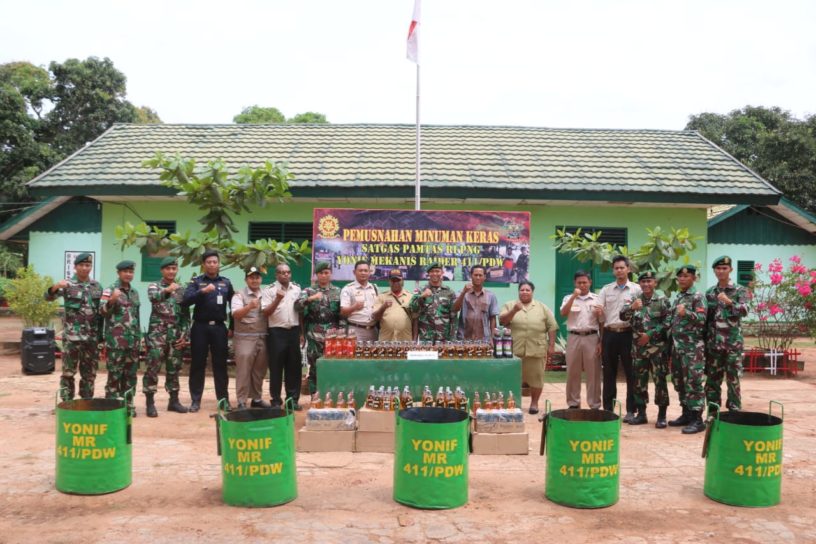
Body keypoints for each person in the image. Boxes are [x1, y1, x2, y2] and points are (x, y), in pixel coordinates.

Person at [45, 253, 103, 401]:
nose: (85, 268)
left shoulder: (97, 286)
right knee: (68, 372)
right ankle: (67, 402)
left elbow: (101, 313)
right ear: (75, 267)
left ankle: (86, 401)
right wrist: (57, 285)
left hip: (91, 337)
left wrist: (100, 337)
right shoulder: (68, 285)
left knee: (89, 373)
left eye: (88, 265)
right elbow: (48, 297)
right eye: (82, 265)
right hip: (72, 337)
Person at [182, 250, 234, 412]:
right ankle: (195, 400)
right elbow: (185, 301)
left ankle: (223, 400)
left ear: (218, 264)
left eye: (215, 262)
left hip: (219, 328)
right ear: (203, 264)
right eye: (209, 262)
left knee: (220, 365)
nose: (212, 264)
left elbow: (235, 305)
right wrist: (202, 292)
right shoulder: (196, 281)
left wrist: (232, 326)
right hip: (200, 327)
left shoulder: (226, 282)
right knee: (198, 364)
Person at [619, 271, 671, 427]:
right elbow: (622, 316)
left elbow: (668, 322)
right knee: (638, 382)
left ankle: (662, 416)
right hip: (639, 349)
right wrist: (631, 308)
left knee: (659, 381)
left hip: (657, 349)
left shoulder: (663, 301)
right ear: (639, 284)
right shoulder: (634, 300)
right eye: (643, 282)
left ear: (655, 283)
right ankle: (641, 414)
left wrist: (650, 334)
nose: (646, 284)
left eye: (649, 281)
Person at [499, 281, 557, 414]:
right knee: (511, 378)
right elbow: (502, 321)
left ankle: (534, 404)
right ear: (518, 292)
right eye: (522, 290)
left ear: (532, 292)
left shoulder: (542, 307)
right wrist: (514, 310)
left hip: (536, 349)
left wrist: (552, 345)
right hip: (514, 349)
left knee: (536, 378)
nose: (524, 292)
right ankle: (512, 403)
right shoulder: (509, 305)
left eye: (527, 290)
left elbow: (552, 326)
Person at [143, 256, 190, 417]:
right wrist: (167, 290)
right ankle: (150, 403)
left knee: (174, 368)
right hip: (157, 335)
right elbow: (153, 298)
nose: (171, 271)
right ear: (162, 270)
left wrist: (185, 335)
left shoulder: (181, 289)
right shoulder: (154, 286)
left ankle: (174, 401)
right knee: (152, 367)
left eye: (174, 269)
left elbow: (185, 315)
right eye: (168, 269)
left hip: (175, 335)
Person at [598, 255, 642, 421]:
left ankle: (631, 410)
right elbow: (600, 311)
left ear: (628, 269)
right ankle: (608, 409)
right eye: (616, 268)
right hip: (610, 334)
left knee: (632, 373)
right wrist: (598, 312)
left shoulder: (637, 290)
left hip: (628, 334)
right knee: (609, 373)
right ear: (613, 270)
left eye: (622, 267)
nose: (619, 270)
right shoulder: (606, 289)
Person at [666, 265, 708, 434]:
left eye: (686, 276)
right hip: (678, 348)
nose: (682, 279)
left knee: (694, 382)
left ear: (694, 278)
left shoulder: (698, 297)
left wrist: (687, 314)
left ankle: (697, 419)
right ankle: (686, 414)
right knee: (679, 382)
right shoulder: (679, 298)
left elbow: (702, 319)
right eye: (680, 276)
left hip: (693, 349)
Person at [705, 256, 749, 412]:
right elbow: (706, 319)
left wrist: (730, 302)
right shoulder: (710, 292)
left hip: (732, 344)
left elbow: (745, 311)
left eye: (724, 268)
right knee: (712, 381)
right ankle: (712, 413)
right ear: (714, 271)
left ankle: (734, 412)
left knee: (733, 379)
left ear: (731, 269)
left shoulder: (740, 290)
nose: (721, 271)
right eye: (718, 268)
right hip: (714, 345)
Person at [99, 260, 141, 415]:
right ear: (119, 273)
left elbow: (136, 317)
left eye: (131, 272)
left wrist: (139, 338)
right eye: (125, 272)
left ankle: (128, 404)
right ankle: (112, 406)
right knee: (115, 374)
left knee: (130, 375)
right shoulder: (109, 290)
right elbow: (101, 312)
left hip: (132, 341)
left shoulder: (134, 292)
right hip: (116, 342)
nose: (128, 274)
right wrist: (112, 300)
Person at [294, 261, 341, 399]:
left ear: (330, 274)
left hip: (333, 335)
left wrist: (341, 333)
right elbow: (297, 306)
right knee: (315, 367)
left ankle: (331, 396)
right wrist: (311, 299)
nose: (324, 276)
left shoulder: (338, 291)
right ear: (316, 275)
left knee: (333, 366)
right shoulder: (308, 291)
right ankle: (315, 397)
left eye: (326, 273)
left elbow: (341, 314)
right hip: (314, 333)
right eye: (321, 273)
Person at [560, 270, 603, 410]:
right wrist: (574, 296)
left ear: (590, 283)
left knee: (594, 373)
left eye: (585, 282)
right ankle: (573, 403)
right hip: (574, 337)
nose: (582, 285)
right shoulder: (568, 298)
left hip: (592, 337)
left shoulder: (597, 299)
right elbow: (563, 313)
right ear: (575, 283)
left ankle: (594, 404)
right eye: (579, 283)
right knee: (572, 371)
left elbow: (602, 322)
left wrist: (600, 341)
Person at [262, 263, 302, 409]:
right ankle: (276, 401)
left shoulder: (297, 289)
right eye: (282, 272)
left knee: (294, 367)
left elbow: (300, 312)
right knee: (276, 367)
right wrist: (277, 299)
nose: (285, 275)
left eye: (288, 272)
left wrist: (302, 333)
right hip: (276, 332)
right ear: (276, 275)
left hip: (294, 331)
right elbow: (265, 312)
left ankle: (292, 400)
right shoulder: (269, 290)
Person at [231, 267, 270, 410]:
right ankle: (241, 400)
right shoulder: (239, 295)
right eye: (251, 277)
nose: (255, 280)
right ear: (246, 280)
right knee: (243, 370)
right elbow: (235, 314)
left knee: (259, 370)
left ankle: (256, 399)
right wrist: (249, 307)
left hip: (262, 336)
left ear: (261, 279)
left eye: (257, 277)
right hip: (244, 338)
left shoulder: (266, 294)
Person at [409, 262, 457, 342]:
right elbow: (412, 308)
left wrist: (452, 338)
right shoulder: (421, 290)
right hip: (426, 338)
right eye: (432, 271)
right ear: (428, 273)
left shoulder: (449, 292)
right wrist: (422, 296)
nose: (435, 273)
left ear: (442, 273)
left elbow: (453, 316)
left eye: (437, 271)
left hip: (443, 338)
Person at [454, 264, 499, 341]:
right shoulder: (463, 293)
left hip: (484, 339)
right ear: (471, 276)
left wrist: (492, 337)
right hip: (464, 338)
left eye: (480, 275)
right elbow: (455, 308)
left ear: (484, 277)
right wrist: (463, 292)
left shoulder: (491, 296)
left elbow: (493, 318)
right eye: (475, 275)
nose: (478, 277)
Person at [340, 260, 379, 342]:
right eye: (360, 270)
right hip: (356, 330)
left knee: (373, 354)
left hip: (373, 330)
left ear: (369, 272)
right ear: (354, 272)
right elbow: (343, 312)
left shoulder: (374, 288)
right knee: (356, 354)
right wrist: (354, 307)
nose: (363, 273)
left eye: (365, 270)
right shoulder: (348, 289)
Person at [372, 268, 415, 341]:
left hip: (405, 340)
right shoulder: (381, 297)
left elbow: (415, 321)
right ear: (389, 282)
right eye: (393, 280)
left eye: (398, 280)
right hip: (386, 340)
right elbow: (375, 318)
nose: (395, 282)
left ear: (402, 281)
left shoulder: (411, 297)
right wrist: (383, 307)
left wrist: (415, 340)